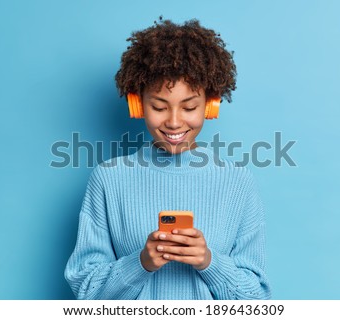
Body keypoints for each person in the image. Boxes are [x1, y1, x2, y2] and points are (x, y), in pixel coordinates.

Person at [64, 18, 271, 300]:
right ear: (137, 105)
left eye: (189, 107)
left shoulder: (237, 181)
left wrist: (208, 262)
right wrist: (141, 263)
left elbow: (257, 300)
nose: (174, 122)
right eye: (159, 107)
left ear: (211, 105)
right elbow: (87, 293)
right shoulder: (109, 178)